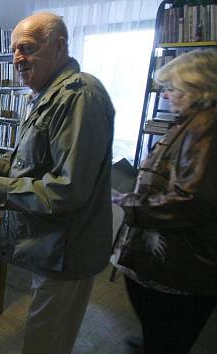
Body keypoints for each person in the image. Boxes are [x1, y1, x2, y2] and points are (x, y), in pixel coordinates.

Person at [0, 13, 115, 354]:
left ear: (58, 47)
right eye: (13, 50)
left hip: (66, 250)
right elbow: (33, 161)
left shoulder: (78, 96)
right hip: (51, 245)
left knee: (46, 342)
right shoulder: (49, 94)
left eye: (26, 48)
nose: (16, 59)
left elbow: (65, 189)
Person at [113, 49, 217, 354]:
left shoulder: (207, 127)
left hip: (182, 266)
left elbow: (193, 199)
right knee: (160, 330)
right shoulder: (193, 122)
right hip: (169, 258)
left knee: (169, 333)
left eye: (173, 88)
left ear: (198, 88)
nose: (167, 96)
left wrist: (130, 204)